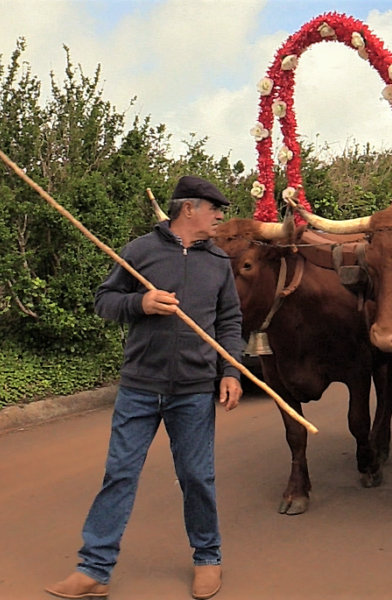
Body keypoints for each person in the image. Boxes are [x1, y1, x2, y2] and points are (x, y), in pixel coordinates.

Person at [46, 175, 244, 600]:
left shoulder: (218, 263)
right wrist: (141, 303)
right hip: (139, 386)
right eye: (214, 208)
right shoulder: (140, 252)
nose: (221, 216)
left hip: (193, 390)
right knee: (119, 474)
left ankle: (207, 558)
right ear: (188, 208)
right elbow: (104, 301)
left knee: (197, 476)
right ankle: (94, 570)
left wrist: (231, 371)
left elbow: (230, 322)